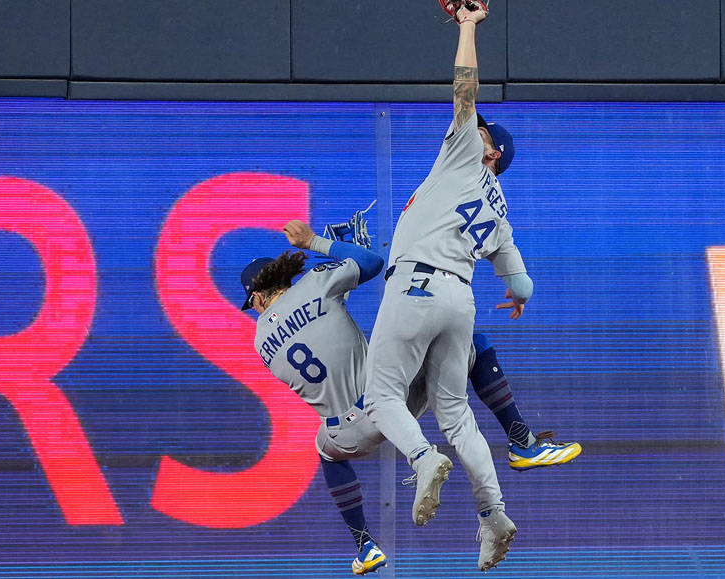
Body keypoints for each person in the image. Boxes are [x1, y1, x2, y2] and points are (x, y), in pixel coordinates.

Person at [242, 220, 579, 575]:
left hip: (348, 432)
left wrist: (334, 287)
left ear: (260, 297)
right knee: (471, 347)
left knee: (326, 451)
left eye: (253, 305)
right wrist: (323, 245)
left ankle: (366, 545)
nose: (255, 310)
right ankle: (519, 442)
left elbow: (317, 336)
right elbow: (371, 264)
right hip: (392, 396)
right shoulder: (316, 285)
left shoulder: (260, 342)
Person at [363, 3, 533, 571]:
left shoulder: (465, 153)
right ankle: (494, 515)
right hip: (461, 298)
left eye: (483, 131)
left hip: (416, 286)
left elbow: (464, 89)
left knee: (383, 397)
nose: (474, 125)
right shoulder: (500, 204)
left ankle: (420, 458)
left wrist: (466, 28)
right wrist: (518, 294)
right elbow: (519, 276)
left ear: (489, 150)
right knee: (456, 414)